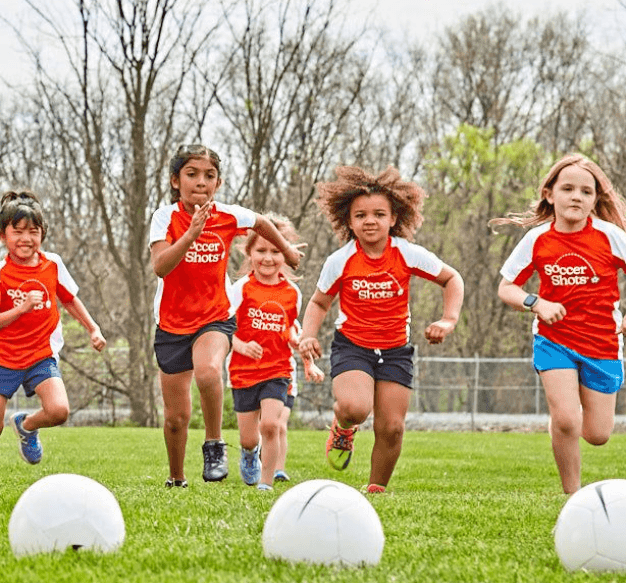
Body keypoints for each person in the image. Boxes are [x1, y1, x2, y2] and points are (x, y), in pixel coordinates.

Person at [492, 154, 626, 495]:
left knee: (597, 434)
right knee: (567, 419)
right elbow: (506, 287)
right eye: (567, 188)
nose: (576, 197)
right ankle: (573, 494)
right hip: (554, 340)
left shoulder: (608, 236)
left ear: (595, 200)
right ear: (550, 194)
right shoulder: (537, 239)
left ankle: (571, 417)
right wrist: (536, 303)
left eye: (586, 191)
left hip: (602, 344)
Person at [297, 166, 464, 494]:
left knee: (392, 428)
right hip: (353, 347)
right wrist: (308, 335)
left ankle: (376, 490)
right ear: (349, 221)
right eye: (360, 215)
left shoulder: (407, 254)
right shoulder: (341, 261)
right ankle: (343, 427)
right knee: (356, 409)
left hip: (395, 350)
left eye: (378, 214)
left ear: (393, 219)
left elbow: (451, 278)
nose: (369, 221)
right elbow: (318, 303)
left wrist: (448, 319)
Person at [150, 145, 301, 488]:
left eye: (209, 176)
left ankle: (215, 444)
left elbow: (261, 222)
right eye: (191, 174)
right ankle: (176, 477)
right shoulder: (164, 217)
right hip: (172, 324)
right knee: (176, 417)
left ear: (217, 183)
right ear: (176, 181)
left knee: (207, 371)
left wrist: (288, 250)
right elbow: (161, 267)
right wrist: (190, 234)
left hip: (214, 317)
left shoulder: (228, 215)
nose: (200, 182)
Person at [0, 191, 106, 481]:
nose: (25, 239)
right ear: (2, 235)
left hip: (40, 355)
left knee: (59, 411)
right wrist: (21, 308)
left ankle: (27, 425)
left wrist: (93, 328)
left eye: (32, 232)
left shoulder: (53, 265)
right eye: (17, 231)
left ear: (42, 234)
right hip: (4, 358)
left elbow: (70, 299)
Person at [227, 214, 325, 490]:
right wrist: (241, 346)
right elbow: (223, 328)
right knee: (249, 438)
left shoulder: (292, 292)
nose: (268, 258)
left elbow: (291, 328)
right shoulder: (241, 289)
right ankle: (248, 454)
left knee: (270, 425)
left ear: (286, 254)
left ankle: (266, 483)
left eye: (275, 251)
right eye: (261, 251)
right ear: (249, 253)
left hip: (277, 369)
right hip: (243, 372)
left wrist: (302, 350)